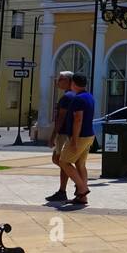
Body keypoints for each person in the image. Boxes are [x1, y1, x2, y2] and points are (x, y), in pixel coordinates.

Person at [58, 74, 96, 205]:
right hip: (89, 135)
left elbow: (78, 120)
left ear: (73, 83)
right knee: (80, 164)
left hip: (80, 136)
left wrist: (74, 140)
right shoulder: (89, 97)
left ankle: (82, 188)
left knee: (63, 162)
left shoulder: (78, 99)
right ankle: (82, 197)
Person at [45, 72, 76, 202]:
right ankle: (68, 187)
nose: (58, 81)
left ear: (69, 81)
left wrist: (53, 135)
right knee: (59, 160)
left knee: (61, 160)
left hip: (63, 133)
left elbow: (61, 118)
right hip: (69, 133)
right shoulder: (73, 95)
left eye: (61, 79)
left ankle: (78, 182)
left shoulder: (67, 97)